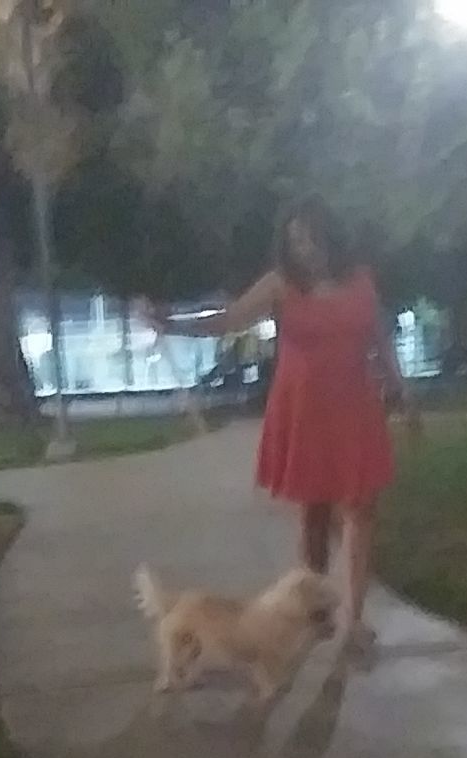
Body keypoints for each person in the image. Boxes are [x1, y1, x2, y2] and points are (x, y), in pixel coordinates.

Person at [150, 195, 419, 650]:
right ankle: (317, 615)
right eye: (295, 241)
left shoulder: (361, 281)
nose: (306, 249)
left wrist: (401, 394)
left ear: (331, 237)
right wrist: (172, 323)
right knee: (313, 518)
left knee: (361, 512)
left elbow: (379, 340)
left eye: (312, 238)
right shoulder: (280, 285)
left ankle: (353, 620)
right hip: (304, 412)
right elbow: (231, 319)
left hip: (355, 408)